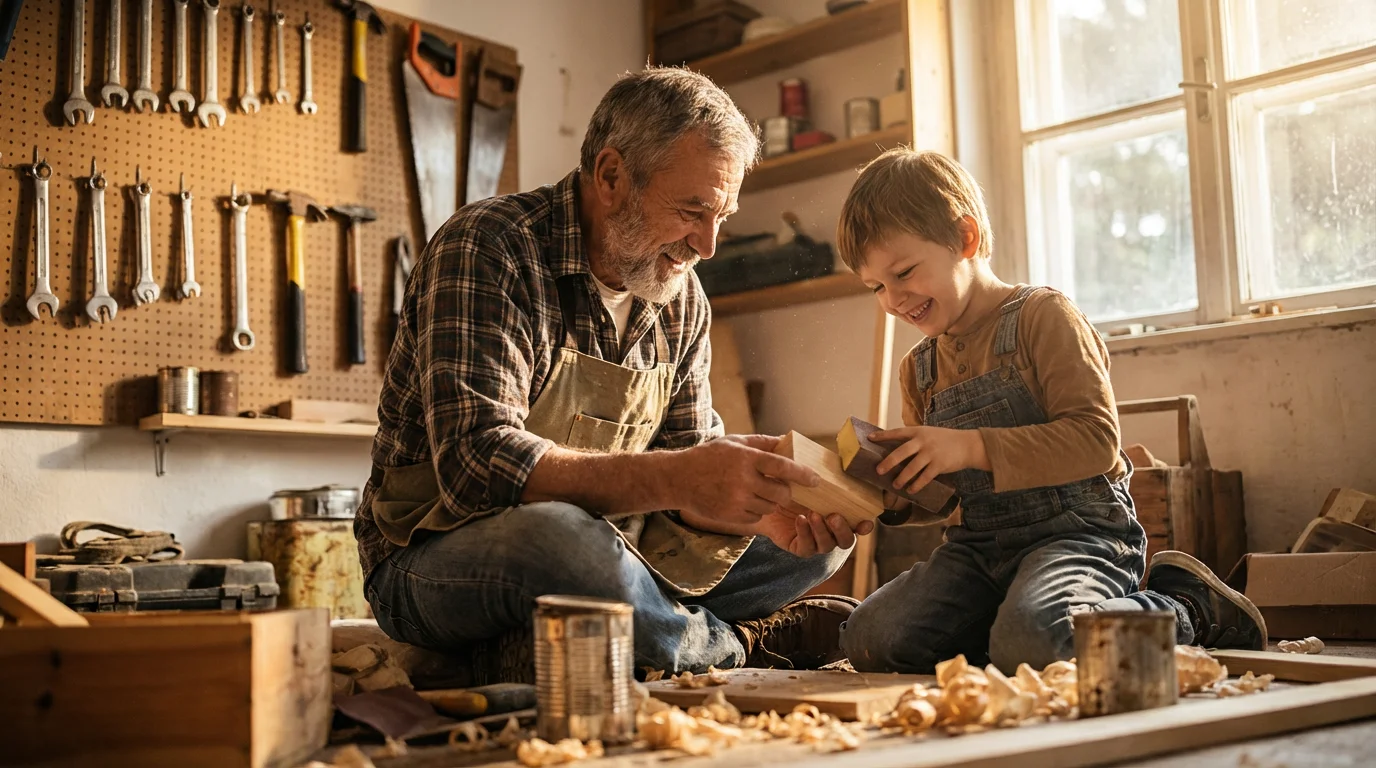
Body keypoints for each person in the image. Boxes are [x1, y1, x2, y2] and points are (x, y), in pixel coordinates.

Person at [355, 67, 874, 683]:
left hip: (619, 551)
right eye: (691, 210)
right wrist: (682, 479)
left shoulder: (682, 298)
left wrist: (741, 504)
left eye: (722, 217)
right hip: (437, 555)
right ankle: (727, 646)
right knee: (560, 542)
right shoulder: (490, 248)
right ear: (610, 176)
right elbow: (476, 467)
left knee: (818, 540)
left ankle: (638, 632)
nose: (707, 245)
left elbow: (681, 476)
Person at [835, 148, 1267, 674]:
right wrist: (881, 492)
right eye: (876, 286)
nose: (893, 299)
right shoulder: (918, 368)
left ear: (965, 239)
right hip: (978, 550)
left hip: (1080, 534)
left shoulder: (1043, 316)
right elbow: (939, 498)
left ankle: (1187, 607)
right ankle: (1015, 626)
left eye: (903, 272)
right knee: (869, 639)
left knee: (1038, 640)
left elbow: (1096, 440)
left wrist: (970, 446)